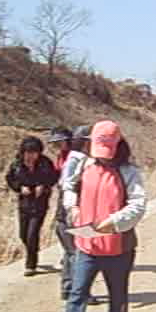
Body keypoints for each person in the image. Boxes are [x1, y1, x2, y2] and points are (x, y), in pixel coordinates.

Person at [49, 121, 146, 312]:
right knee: (77, 293)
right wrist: (72, 208)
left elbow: (138, 204)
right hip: (87, 244)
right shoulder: (84, 165)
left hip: (119, 246)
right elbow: (68, 187)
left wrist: (114, 222)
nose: (102, 157)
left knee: (117, 294)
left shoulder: (129, 172)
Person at [5, 136, 58, 277]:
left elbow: (54, 177)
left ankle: (31, 265)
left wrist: (44, 185)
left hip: (40, 204)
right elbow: (10, 179)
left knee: (32, 234)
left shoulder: (45, 163)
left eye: (34, 152)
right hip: (24, 204)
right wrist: (20, 187)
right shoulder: (17, 164)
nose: (31, 156)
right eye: (28, 152)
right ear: (23, 152)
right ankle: (33, 249)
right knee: (23, 235)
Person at [55, 125, 91, 301]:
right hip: (72, 216)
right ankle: (79, 292)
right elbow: (68, 186)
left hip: (65, 216)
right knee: (79, 254)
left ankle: (68, 288)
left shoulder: (73, 159)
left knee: (71, 254)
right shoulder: (80, 160)